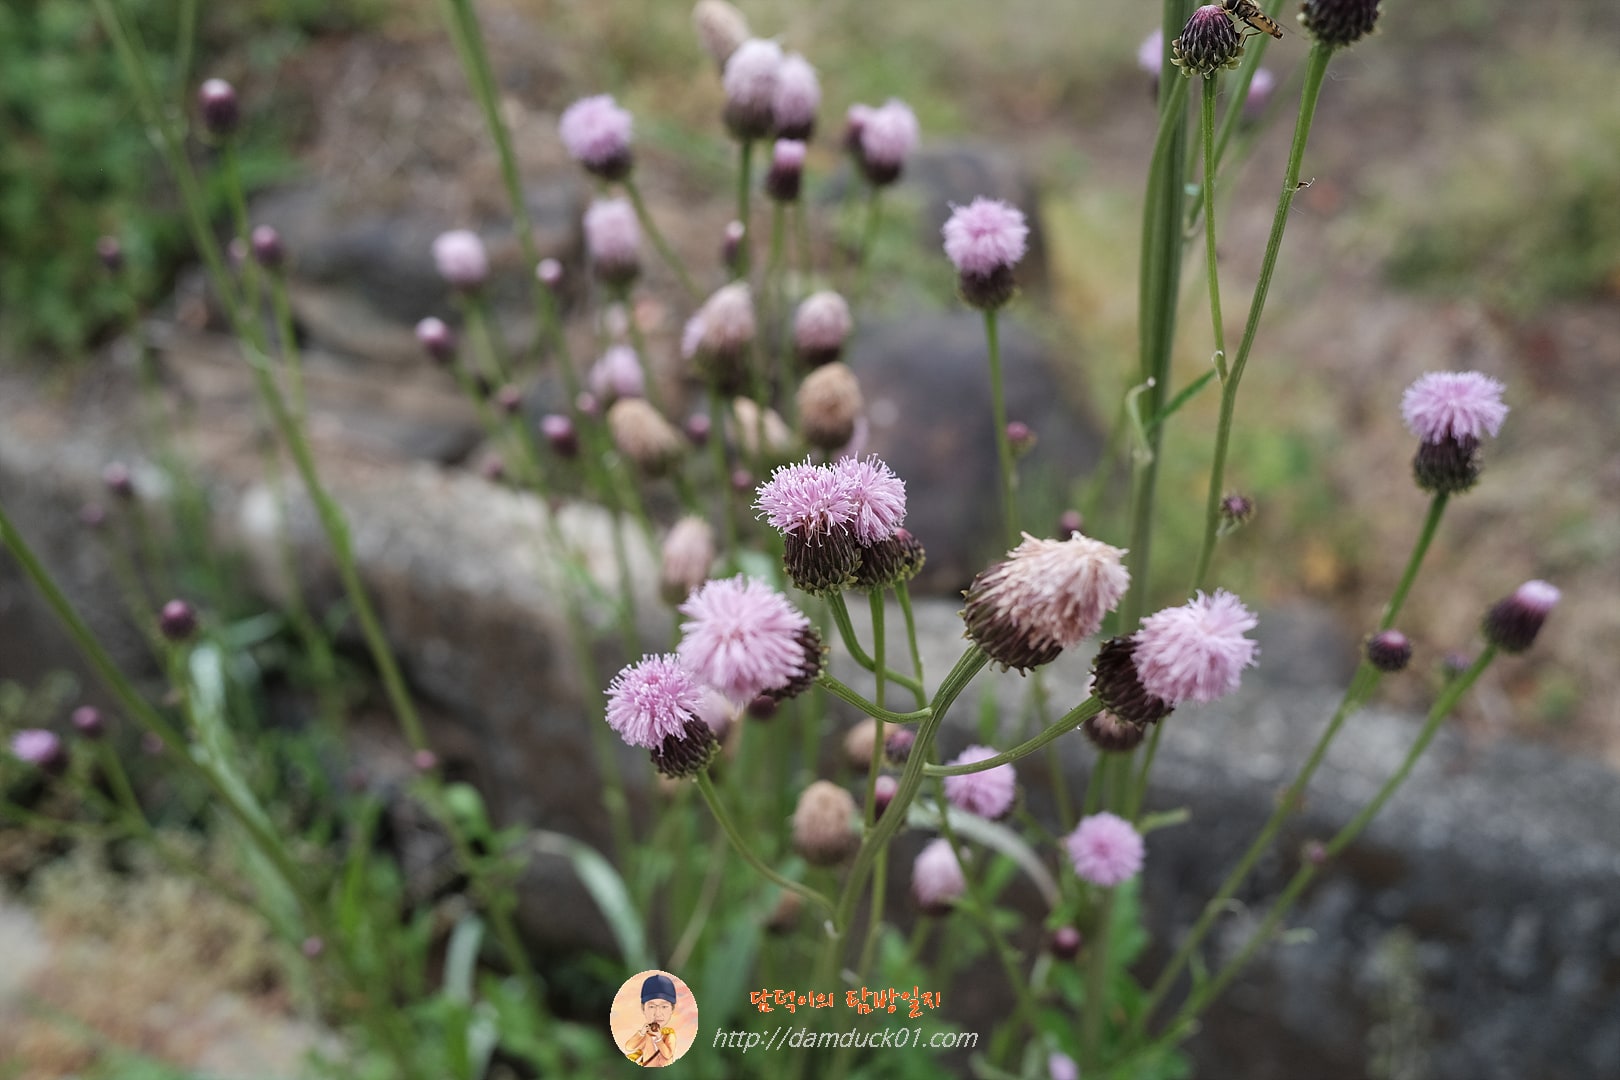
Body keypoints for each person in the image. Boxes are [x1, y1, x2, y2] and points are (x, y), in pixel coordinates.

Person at [625, 973, 679, 1067]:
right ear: (643, 1008)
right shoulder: (647, 1034)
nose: (657, 1013)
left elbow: (667, 1055)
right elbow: (629, 1047)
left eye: (664, 1006)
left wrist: (659, 1038)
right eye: (651, 1006)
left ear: (672, 1009)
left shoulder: (669, 1035)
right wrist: (641, 1033)